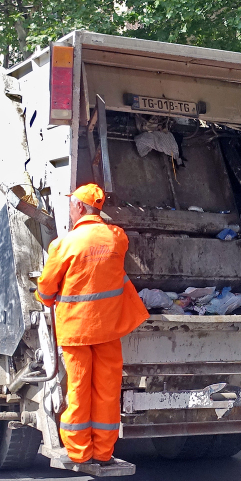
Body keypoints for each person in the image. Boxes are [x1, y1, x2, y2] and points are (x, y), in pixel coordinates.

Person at [35, 184, 149, 465]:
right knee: (107, 391)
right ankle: (103, 451)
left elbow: (46, 289)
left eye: (71, 205)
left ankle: (79, 452)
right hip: (108, 330)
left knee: (79, 390)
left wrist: (45, 296)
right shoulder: (117, 238)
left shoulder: (64, 244)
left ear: (79, 208)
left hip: (76, 332)